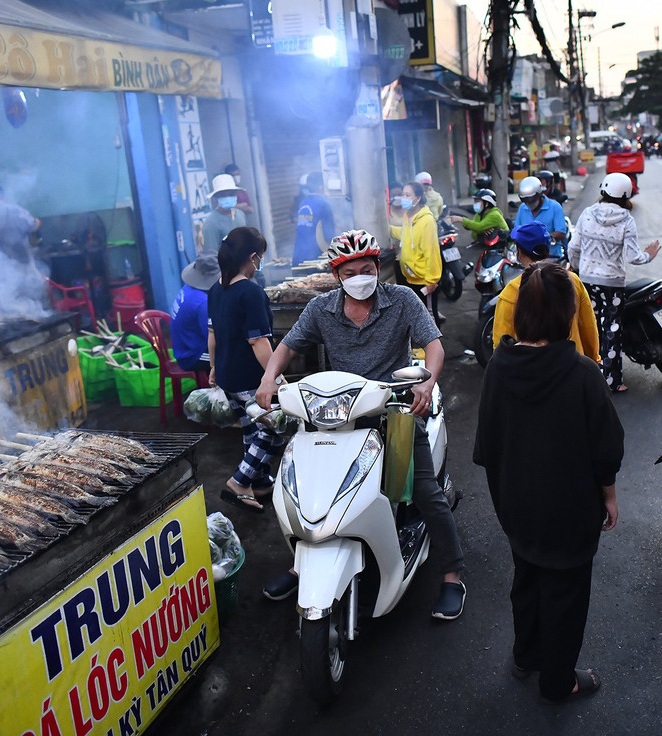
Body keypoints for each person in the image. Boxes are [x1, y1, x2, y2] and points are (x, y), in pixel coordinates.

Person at [255, 230, 466, 619]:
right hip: (337, 415)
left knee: (423, 492)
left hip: (396, 412)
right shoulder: (321, 308)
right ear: (337, 275)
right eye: (350, 271)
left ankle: (452, 575)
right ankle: (300, 565)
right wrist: (270, 378)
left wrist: (428, 381)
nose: (360, 277)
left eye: (366, 269)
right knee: (303, 489)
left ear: (377, 268)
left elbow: (433, 345)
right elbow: (287, 346)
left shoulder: (401, 299)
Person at [474, 261, 622, 704]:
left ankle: (526, 656)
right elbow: (605, 448)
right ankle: (559, 681)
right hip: (571, 508)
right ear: (566, 314)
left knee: (528, 579)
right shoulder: (581, 373)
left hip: (517, 505)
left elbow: (487, 443)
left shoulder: (499, 365)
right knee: (566, 593)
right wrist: (609, 496)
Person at [210, 228, 284, 513]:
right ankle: (240, 482)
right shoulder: (251, 292)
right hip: (250, 378)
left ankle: (261, 481)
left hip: (228, 377)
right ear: (252, 258)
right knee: (275, 429)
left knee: (251, 429)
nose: (260, 263)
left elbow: (212, 334)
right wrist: (274, 377)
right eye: (261, 258)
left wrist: (214, 367)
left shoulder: (216, 289)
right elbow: (258, 341)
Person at [568, 173, 661, 393]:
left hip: (587, 280)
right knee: (611, 329)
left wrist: (576, 266)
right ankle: (611, 381)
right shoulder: (626, 220)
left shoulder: (587, 213)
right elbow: (633, 257)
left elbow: (574, 248)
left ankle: (587, 377)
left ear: (604, 191)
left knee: (589, 326)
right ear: (626, 195)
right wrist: (649, 255)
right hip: (613, 284)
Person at [493, 221, 599, 363]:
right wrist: (592, 362)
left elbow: (500, 345)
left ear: (519, 252)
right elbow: (588, 327)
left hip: (529, 376)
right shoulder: (572, 281)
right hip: (571, 368)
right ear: (547, 249)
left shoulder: (511, 292)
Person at [391, 181, 444, 325]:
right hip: (411, 277)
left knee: (429, 318)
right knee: (416, 316)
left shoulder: (426, 220)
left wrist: (432, 280)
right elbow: (405, 235)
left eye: (408, 195)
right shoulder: (408, 217)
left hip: (424, 279)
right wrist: (387, 229)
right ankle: (421, 346)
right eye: (403, 194)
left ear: (418, 198)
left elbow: (431, 251)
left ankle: (434, 347)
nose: (404, 198)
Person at [171, 253, 219, 372]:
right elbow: (214, 339)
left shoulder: (189, 288)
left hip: (185, 344)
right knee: (235, 356)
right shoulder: (202, 302)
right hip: (191, 355)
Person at [513, 176, 567, 259]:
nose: (529, 204)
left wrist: (542, 237)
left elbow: (561, 233)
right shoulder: (522, 208)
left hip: (550, 257)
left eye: (532, 200)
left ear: (540, 194)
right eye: (526, 201)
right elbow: (517, 230)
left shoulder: (555, 207)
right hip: (527, 258)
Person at [293, 171, 335, 266]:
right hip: (316, 259)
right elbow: (329, 235)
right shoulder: (324, 204)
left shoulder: (303, 202)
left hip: (298, 256)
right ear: (321, 187)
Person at [201, 174, 248, 253]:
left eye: (231, 194)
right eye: (223, 195)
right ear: (216, 197)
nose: (228, 197)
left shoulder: (240, 215)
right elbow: (211, 256)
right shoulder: (211, 223)